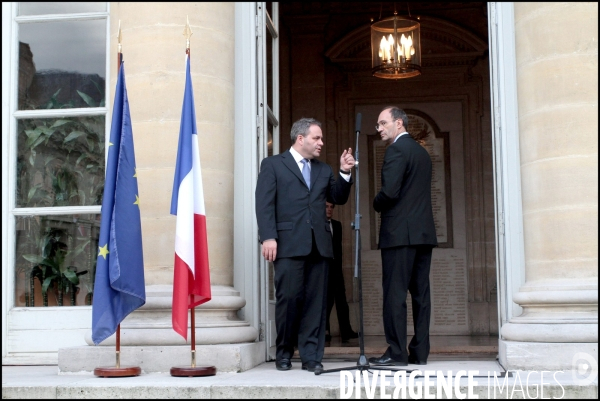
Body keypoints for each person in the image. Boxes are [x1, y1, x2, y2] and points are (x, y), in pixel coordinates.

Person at [255, 117, 355, 372]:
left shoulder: (323, 170)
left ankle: (311, 356)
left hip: (320, 246)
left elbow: (338, 198)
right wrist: (268, 237)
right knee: (289, 299)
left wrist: (344, 172)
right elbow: (264, 204)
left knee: (316, 303)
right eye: (317, 138)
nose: (321, 143)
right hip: (287, 244)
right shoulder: (273, 165)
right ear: (301, 139)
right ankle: (285, 352)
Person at [369, 106, 437, 367]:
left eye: (383, 123)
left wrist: (376, 202)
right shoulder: (422, 152)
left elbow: (390, 192)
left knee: (395, 295)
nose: (379, 129)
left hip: (399, 235)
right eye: (378, 125)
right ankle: (419, 353)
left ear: (399, 123)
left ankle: (397, 354)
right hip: (423, 234)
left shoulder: (396, 150)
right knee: (421, 295)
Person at [324, 201, 358, 345]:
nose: (329, 209)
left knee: (342, 301)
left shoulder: (337, 225)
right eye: (326, 206)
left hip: (336, 270)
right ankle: (324, 331)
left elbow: (339, 250)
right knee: (325, 302)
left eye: (332, 207)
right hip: (323, 270)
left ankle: (346, 330)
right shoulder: (317, 224)